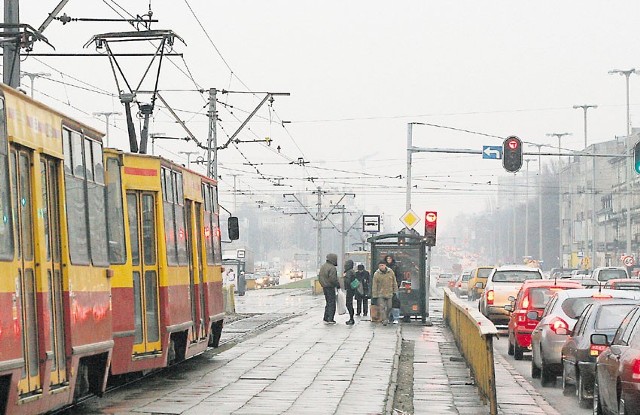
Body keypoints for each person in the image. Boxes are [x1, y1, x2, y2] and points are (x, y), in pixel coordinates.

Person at [372, 260, 397, 326]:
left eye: (382, 265)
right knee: (382, 307)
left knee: (389, 306)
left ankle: (386, 316)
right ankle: (385, 319)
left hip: (389, 293)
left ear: (385, 265)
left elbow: (394, 282)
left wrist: (395, 291)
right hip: (380, 293)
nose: (381, 267)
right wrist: (374, 295)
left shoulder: (390, 272)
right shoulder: (376, 274)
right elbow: (374, 285)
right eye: (380, 266)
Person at [318, 253, 340, 324]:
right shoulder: (332, 268)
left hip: (324, 287)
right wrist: (337, 284)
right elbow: (333, 279)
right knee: (332, 303)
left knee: (328, 302)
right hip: (330, 287)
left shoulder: (323, 267)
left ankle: (326, 317)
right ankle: (331, 318)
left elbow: (320, 277)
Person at [385, 254, 401, 324]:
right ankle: (389, 317)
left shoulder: (395, 267)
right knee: (386, 303)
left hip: (394, 287)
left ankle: (395, 317)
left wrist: (397, 285)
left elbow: (399, 276)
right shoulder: (384, 267)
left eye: (390, 258)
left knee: (395, 302)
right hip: (386, 287)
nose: (388, 260)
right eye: (387, 259)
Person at [343, 260, 356, 325]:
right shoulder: (352, 271)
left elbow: (348, 281)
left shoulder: (348, 272)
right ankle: (351, 318)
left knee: (348, 304)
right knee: (349, 303)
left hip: (350, 289)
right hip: (352, 289)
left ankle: (351, 318)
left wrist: (344, 277)